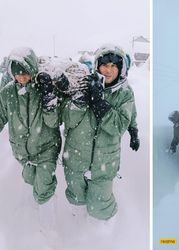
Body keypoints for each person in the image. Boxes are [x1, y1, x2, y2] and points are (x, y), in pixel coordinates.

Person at [61, 44, 137, 221]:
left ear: (120, 68)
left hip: (105, 162)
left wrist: (99, 103)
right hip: (75, 157)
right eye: (104, 65)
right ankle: (77, 227)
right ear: (97, 66)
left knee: (100, 207)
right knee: (76, 199)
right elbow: (68, 120)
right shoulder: (83, 85)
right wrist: (80, 101)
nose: (109, 70)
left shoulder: (124, 94)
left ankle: (102, 235)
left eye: (113, 66)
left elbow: (118, 126)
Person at [0, 47, 61, 206]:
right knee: (30, 179)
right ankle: (38, 203)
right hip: (22, 152)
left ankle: (47, 216)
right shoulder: (7, 93)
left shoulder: (44, 88)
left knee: (43, 188)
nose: (22, 77)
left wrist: (49, 100)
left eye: (25, 72)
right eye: (17, 73)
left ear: (33, 68)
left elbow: (53, 123)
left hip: (46, 147)